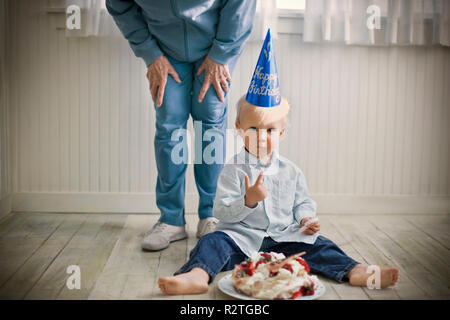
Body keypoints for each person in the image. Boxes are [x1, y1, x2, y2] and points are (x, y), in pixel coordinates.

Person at [157, 30, 399, 295]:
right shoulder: (232, 170)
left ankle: (356, 271)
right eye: (254, 129)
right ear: (239, 129)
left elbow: (302, 202)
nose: (262, 137)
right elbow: (222, 213)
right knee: (212, 242)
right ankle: (196, 275)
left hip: (286, 238)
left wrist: (307, 218)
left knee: (321, 245)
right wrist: (248, 200)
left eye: (270, 130)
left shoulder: (291, 171)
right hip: (241, 239)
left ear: (282, 133)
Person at [106, 0, 257, 251]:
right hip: (164, 51)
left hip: (215, 45)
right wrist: (150, 54)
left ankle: (211, 215)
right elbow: (118, 4)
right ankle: (171, 219)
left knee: (209, 123)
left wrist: (221, 55)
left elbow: (241, 5)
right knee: (169, 124)